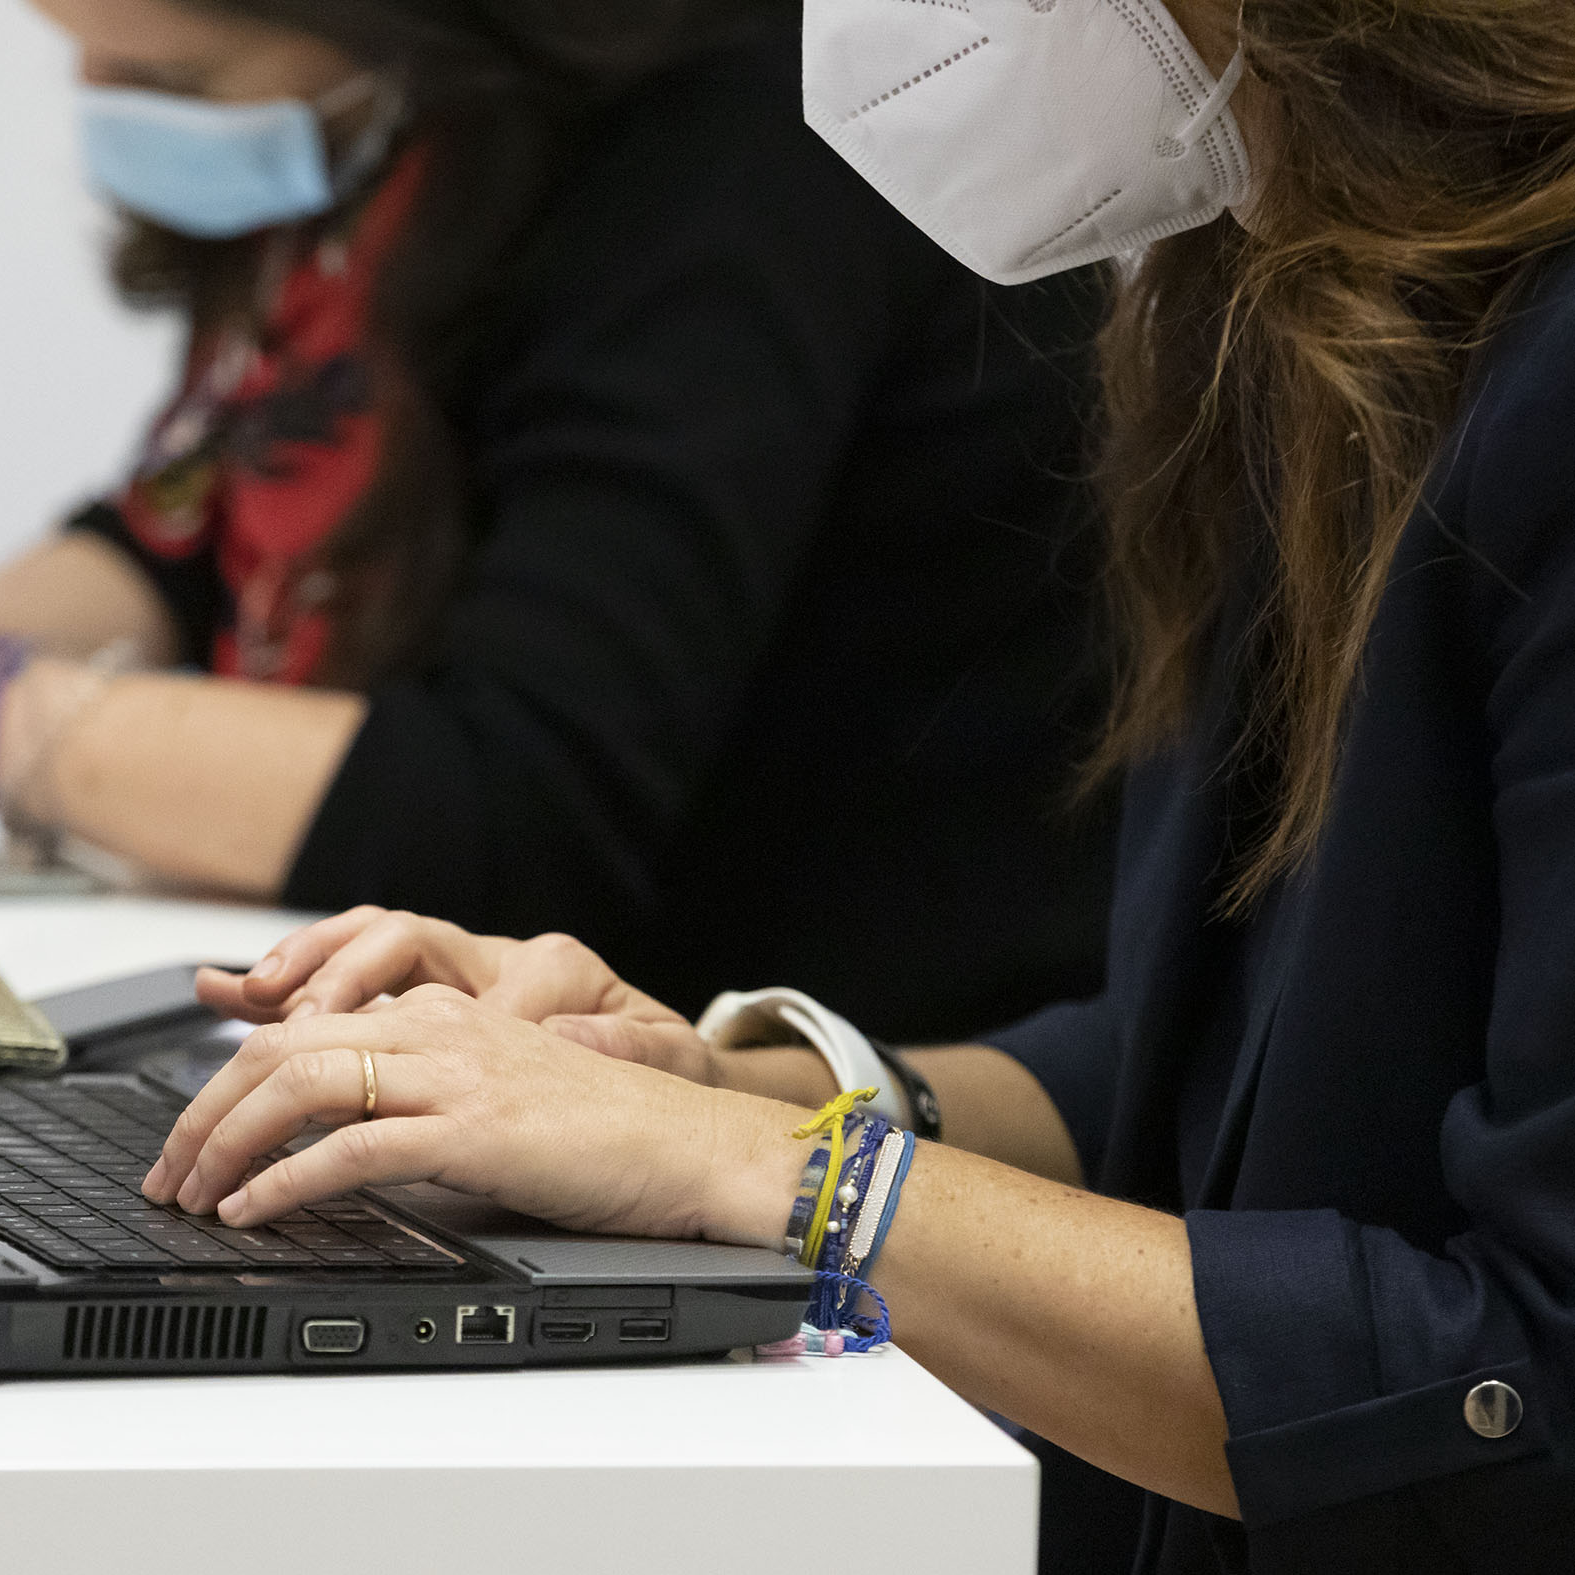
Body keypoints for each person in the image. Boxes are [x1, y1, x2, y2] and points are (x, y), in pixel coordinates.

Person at [144, 3, 1575, 1571]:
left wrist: (771, 1177)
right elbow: (1225, 1074)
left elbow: (1518, 1392)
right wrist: (700, 1090)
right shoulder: (1297, 313)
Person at [0, 0, 1117, 1043]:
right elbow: (187, 530)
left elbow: (507, 810)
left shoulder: (740, 160)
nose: (108, 121)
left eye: (172, 83)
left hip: (846, 1068)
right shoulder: (400, 150)